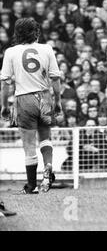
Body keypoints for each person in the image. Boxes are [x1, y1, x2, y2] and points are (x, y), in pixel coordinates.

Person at [0, 18, 62, 194]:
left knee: (28, 145)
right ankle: (48, 166)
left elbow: (5, 84)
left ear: (17, 33)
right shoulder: (47, 48)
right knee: (45, 137)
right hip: (44, 97)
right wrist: (57, 102)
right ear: (36, 33)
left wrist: (4, 106)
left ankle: (31, 185)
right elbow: (55, 79)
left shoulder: (11, 52)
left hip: (24, 99)